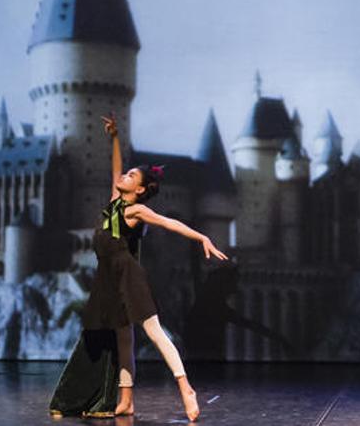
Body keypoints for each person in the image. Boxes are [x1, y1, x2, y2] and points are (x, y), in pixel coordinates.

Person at [50, 114, 229, 421]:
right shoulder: (113, 204)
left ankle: (186, 388)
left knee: (155, 333)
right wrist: (115, 138)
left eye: (132, 176)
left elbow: (168, 222)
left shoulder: (136, 210)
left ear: (141, 189)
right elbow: (115, 168)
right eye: (127, 174)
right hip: (107, 278)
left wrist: (201, 237)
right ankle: (127, 400)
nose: (124, 177)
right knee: (123, 340)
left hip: (127, 275)